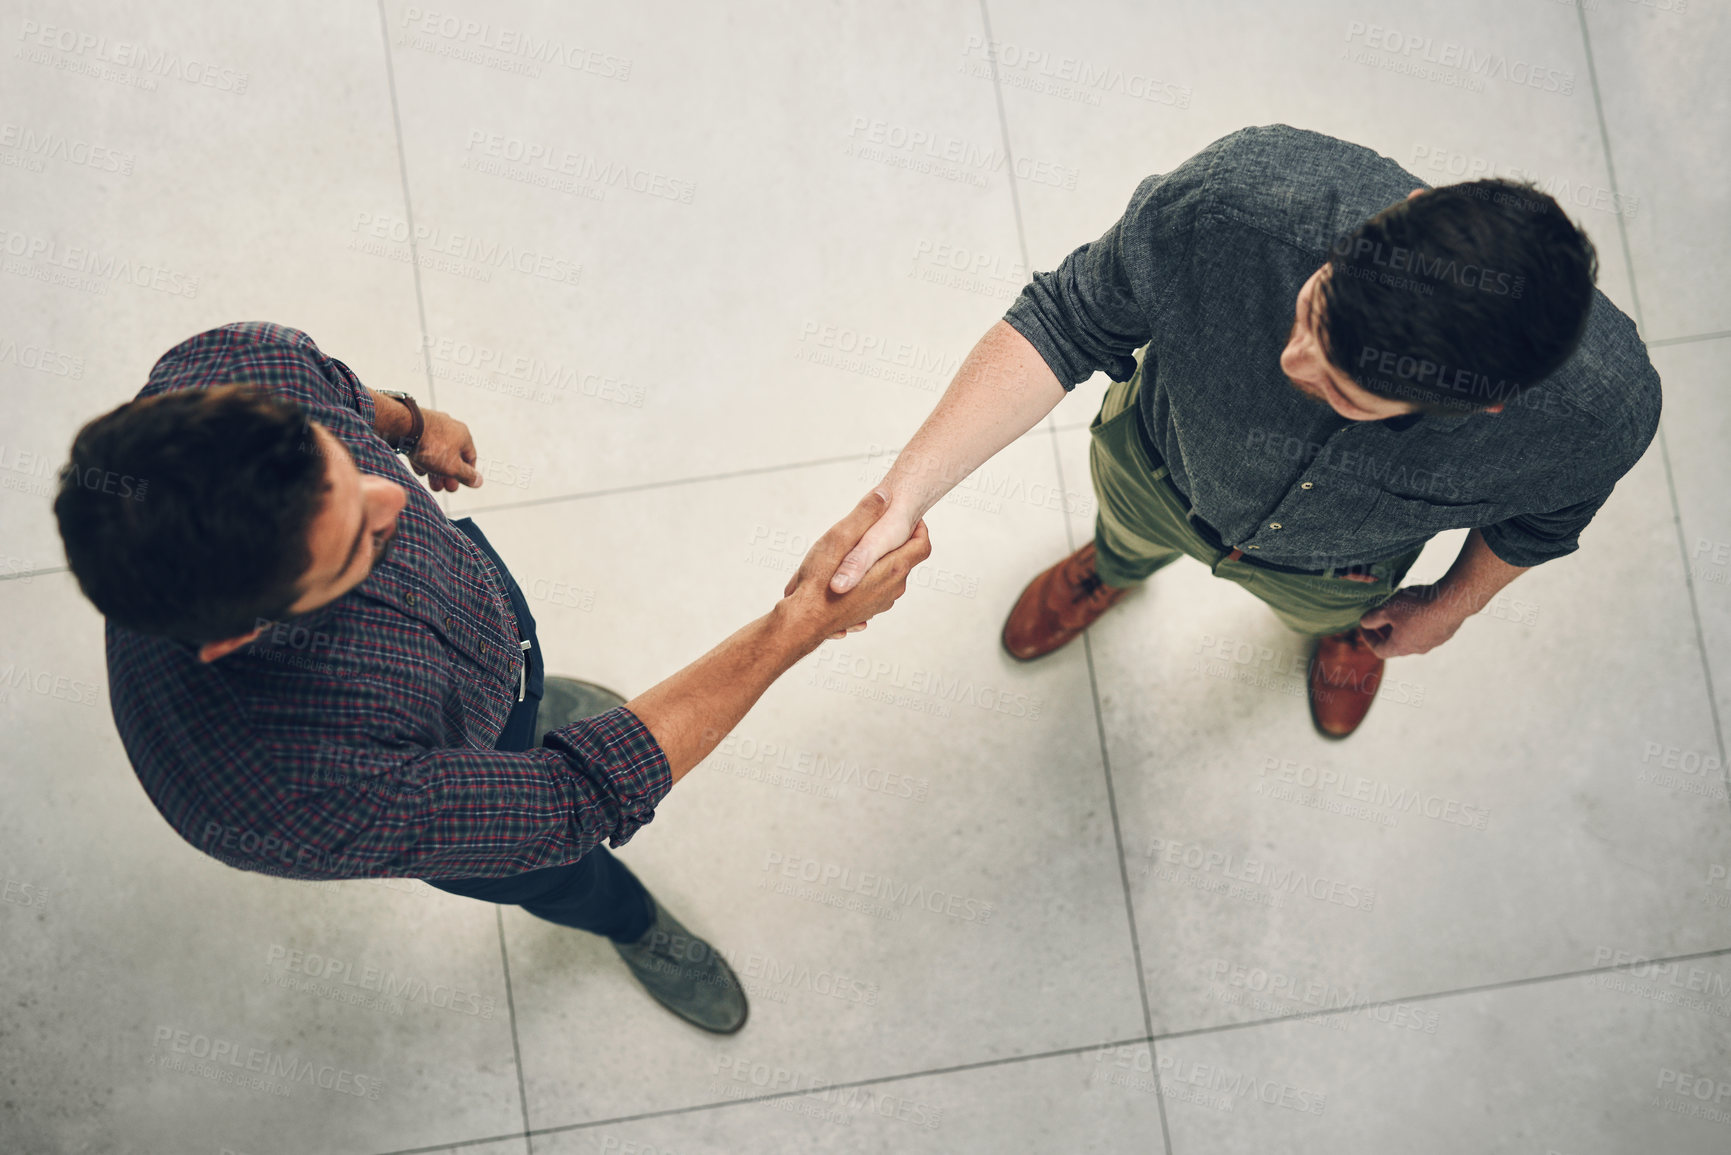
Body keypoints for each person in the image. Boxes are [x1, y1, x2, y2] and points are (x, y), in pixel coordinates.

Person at [52, 322, 929, 1034]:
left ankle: (532, 702)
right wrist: (797, 627)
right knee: (559, 865)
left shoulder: (226, 364)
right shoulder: (274, 792)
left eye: (343, 459)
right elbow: (566, 800)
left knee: (531, 697)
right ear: (241, 631)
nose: (396, 497)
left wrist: (406, 420)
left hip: (481, 635)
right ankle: (629, 922)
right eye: (362, 540)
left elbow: (320, 375)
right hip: (445, 780)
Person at [823, 123, 1661, 738]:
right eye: (1314, 308)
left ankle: (1342, 638)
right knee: (1124, 530)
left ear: (1486, 404)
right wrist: (905, 495)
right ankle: (1113, 567)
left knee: (1342, 611)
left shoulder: (1596, 420)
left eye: (1342, 391)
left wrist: (1447, 605)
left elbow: (1542, 519)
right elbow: (1068, 316)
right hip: (1154, 462)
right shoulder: (1235, 201)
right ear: (1403, 211)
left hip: (1341, 569)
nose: (1295, 360)